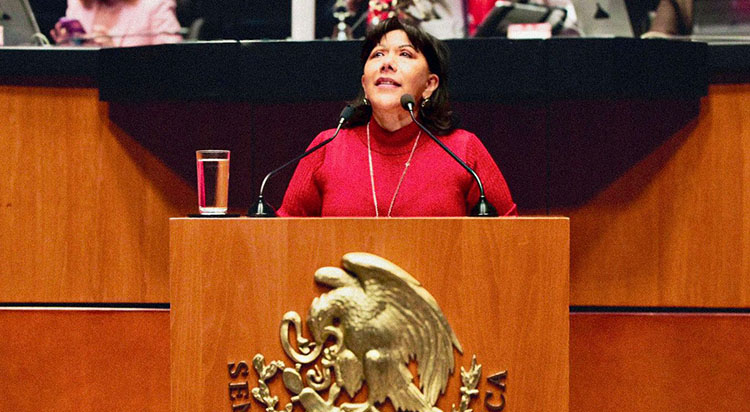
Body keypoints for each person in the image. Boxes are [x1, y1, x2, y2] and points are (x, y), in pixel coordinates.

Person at [278, 18, 517, 217]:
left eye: (404, 53)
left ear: (429, 85)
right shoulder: (327, 147)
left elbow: (508, 239)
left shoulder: (463, 150)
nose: (387, 63)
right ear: (365, 83)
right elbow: (284, 239)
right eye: (378, 54)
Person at [51, 0, 182, 47]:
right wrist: (66, 46)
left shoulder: (155, 5)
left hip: (135, 96)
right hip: (84, 94)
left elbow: (173, 64)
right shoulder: (78, 4)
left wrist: (115, 57)